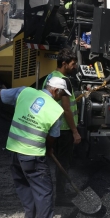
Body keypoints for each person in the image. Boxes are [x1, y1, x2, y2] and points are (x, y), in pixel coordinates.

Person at [0, 77, 72, 218]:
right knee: (44, 191)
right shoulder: (55, 110)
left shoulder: (25, 92)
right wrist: (49, 148)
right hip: (32, 155)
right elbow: (52, 137)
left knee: (23, 185)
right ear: (55, 90)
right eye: (62, 94)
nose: (61, 97)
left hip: (14, 151)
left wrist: (4, 91)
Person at [42, 49, 82, 205]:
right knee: (63, 163)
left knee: (58, 162)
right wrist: (75, 131)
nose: (75, 66)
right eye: (73, 63)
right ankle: (61, 196)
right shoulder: (63, 81)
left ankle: (58, 192)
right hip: (64, 129)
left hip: (54, 126)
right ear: (64, 63)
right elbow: (66, 109)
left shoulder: (51, 76)